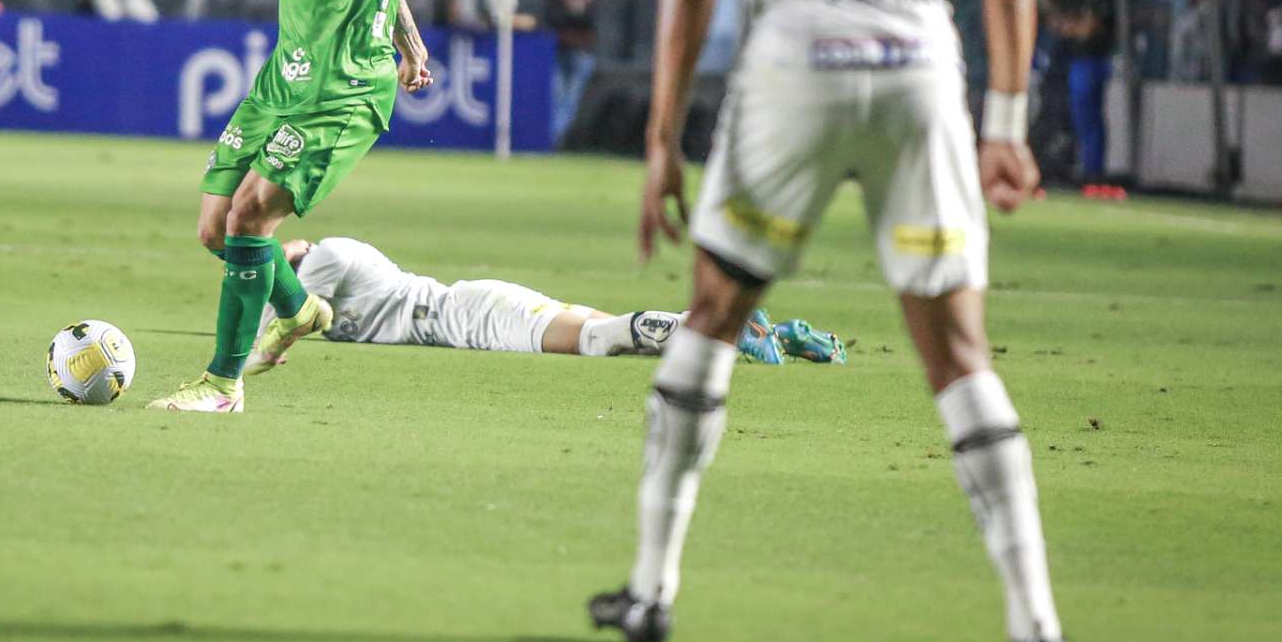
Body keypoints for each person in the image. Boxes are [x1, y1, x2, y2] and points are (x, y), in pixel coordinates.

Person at [590, 0, 1073, 642]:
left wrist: (664, 138)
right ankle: (1037, 622)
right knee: (959, 353)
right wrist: (1003, 130)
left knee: (714, 313)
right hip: (919, 65)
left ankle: (652, 588)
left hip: (795, 64)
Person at [145, 0, 461, 413]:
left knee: (251, 213)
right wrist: (412, 40)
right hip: (280, 82)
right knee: (216, 229)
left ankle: (221, 384)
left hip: (342, 91)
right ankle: (303, 308)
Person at [246, 237, 844, 370]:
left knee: (596, 339)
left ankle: (721, 327)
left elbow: (283, 328)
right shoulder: (311, 276)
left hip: (467, 316)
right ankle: (776, 333)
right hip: (470, 310)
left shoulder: (323, 255)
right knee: (604, 332)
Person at [1044, 0, 1114, 183]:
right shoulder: (1085, 1)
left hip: (1093, 62)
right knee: (1079, 117)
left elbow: (1086, 30)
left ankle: (1093, 170)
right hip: (1079, 62)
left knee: (1090, 118)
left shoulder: (1104, 1)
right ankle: (1084, 165)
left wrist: (1071, 27)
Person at [544, 0, 601, 143]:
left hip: (581, 53)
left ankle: (553, 138)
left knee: (570, 100)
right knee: (555, 96)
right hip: (558, 50)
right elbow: (553, 18)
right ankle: (549, 138)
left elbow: (592, 23)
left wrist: (578, 9)